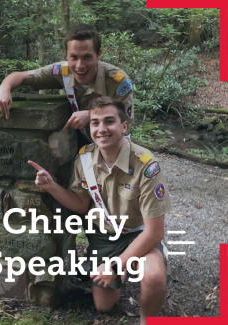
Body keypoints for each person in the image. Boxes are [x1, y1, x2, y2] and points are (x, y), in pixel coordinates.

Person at [28, 97, 171, 325]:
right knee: (103, 306)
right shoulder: (84, 159)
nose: (101, 129)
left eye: (109, 121)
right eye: (95, 123)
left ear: (124, 126)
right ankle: (121, 268)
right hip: (104, 237)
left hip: (138, 234)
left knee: (153, 276)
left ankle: (147, 318)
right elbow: (81, 205)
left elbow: (155, 232)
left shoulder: (146, 164)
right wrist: (51, 186)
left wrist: (117, 264)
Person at [0, 24, 133, 147]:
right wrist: (4, 88)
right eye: (74, 57)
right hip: (80, 142)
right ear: (66, 55)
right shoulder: (62, 72)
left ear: (99, 55)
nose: (79, 66)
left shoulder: (117, 80)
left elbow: (124, 124)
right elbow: (21, 76)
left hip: (113, 143)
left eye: (87, 57)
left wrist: (91, 115)